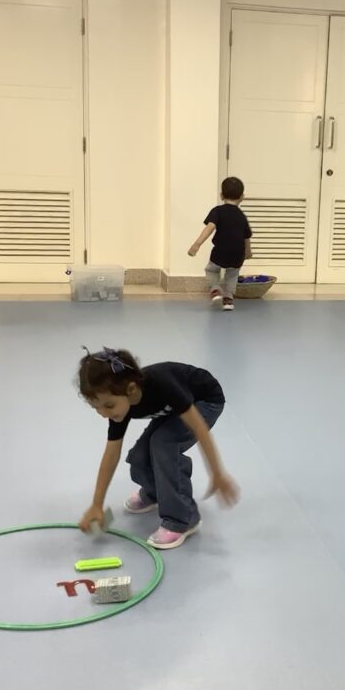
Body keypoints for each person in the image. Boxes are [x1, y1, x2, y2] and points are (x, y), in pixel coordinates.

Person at [76, 348, 239, 549]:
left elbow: (199, 428)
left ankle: (184, 518)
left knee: (163, 443)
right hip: (172, 410)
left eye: (108, 406)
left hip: (204, 401)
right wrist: (96, 504)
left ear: (131, 390)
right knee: (139, 456)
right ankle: (156, 493)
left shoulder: (163, 385)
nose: (103, 413)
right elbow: (111, 453)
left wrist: (217, 473)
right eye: (96, 408)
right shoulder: (120, 402)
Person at [188, 176, 252, 311]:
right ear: (242, 197)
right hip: (237, 253)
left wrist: (197, 244)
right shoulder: (242, 216)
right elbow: (246, 236)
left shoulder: (217, 211)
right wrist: (248, 251)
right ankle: (228, 299)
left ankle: (215, 290)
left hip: (220, 251)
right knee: (232, 275)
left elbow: (210, 227)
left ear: (221, 195)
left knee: (211, 270)